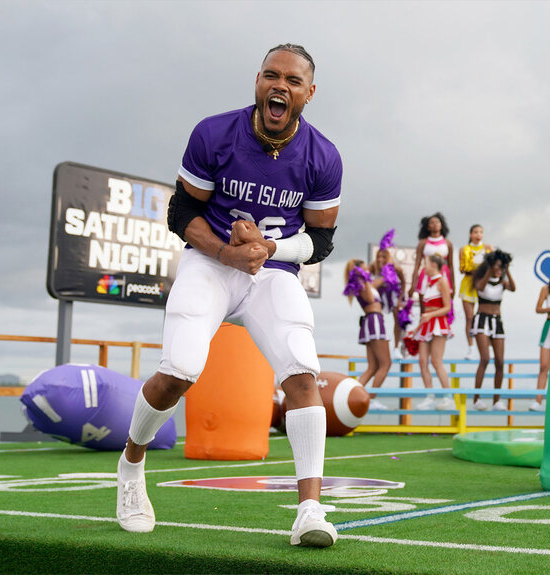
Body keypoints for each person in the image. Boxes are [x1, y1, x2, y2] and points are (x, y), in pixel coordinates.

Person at [115, 44, 342, 548]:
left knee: (303, 373)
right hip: (212, 264)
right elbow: (181, 215)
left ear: (308, 93)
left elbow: (321, 242)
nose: (279, 86)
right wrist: (225, 253)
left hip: (273, 271)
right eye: (270, 75)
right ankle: (131, 467)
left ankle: (310, 509)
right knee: (180, 369)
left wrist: (269, 247)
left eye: (292, 80)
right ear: (258, 82)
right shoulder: (215, 133)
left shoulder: (323, 156)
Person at [469, 250, 516, 411]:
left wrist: (507, 270)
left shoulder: (502, 282)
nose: (499, 269)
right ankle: (476, 399)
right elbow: (479, 287)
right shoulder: (481, 279)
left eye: (501, 267)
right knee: (485, 359)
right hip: (482, 319)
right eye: (497, 266)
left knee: (500, 362)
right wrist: (489, 268)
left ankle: (496, 400)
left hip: (497, 321)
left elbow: (514, 288)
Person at [343, 259, 391, 411]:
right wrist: (365, 277)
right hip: (374, 320)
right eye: (365, 268)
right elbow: (370, 299)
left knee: (373, 366)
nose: (369, 270)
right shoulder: (360, 283)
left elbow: (380, 280)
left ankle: (350, 395)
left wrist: (388, 265)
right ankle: (372, 398)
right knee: (385, 363)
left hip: (372, 321)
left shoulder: (365, 283)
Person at [413, 254, 454, 411]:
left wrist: (430, 315)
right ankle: (429, 396)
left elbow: (447, 307)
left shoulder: (442, 281)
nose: (424, 266)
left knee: (437, 361)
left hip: (437, 323)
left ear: (434, 265)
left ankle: (448, 396)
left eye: (426, 264)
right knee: (422, 361)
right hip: (426, 323)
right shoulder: (428, 284)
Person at [370, 229, 407, 359]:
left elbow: (403, 282)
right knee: (377, 317)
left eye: (383, 256)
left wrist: (401, 297)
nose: (380, 259)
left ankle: (397, 347)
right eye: (379, 256)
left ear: (387, 257)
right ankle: (379, 344)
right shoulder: (373, 266)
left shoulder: (395, 267)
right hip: (380, 294)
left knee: (398, 318)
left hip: (394, 292)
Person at [458, 224, 492, 360]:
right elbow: (462, 268)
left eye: (480, 232)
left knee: (486, 315)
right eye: (475, 232)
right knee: (469, 318)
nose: (478, 235)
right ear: (470, 234)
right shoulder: (464, 249)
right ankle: (471, 348)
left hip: (484, 285)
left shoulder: (488, 248)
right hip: (468, 285)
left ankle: (489, 346)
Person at [532, 265, 550, 412]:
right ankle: (538, 400)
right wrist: (549, 309)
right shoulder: (545, 290)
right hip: (549, 326)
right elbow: (538, 308)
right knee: (544, 366)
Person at [408, 212, 455, 300]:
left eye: (437, 222)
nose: (435, 224)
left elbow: (451, 265)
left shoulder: (448, 243)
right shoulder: (423, 243)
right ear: (428, 227)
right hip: (426, 275)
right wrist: (413, 284)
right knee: (425, 303)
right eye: (432, 223)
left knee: (443, 304)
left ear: (441, 225)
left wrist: (453, 286)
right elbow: (417, 265)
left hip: (443, 274)